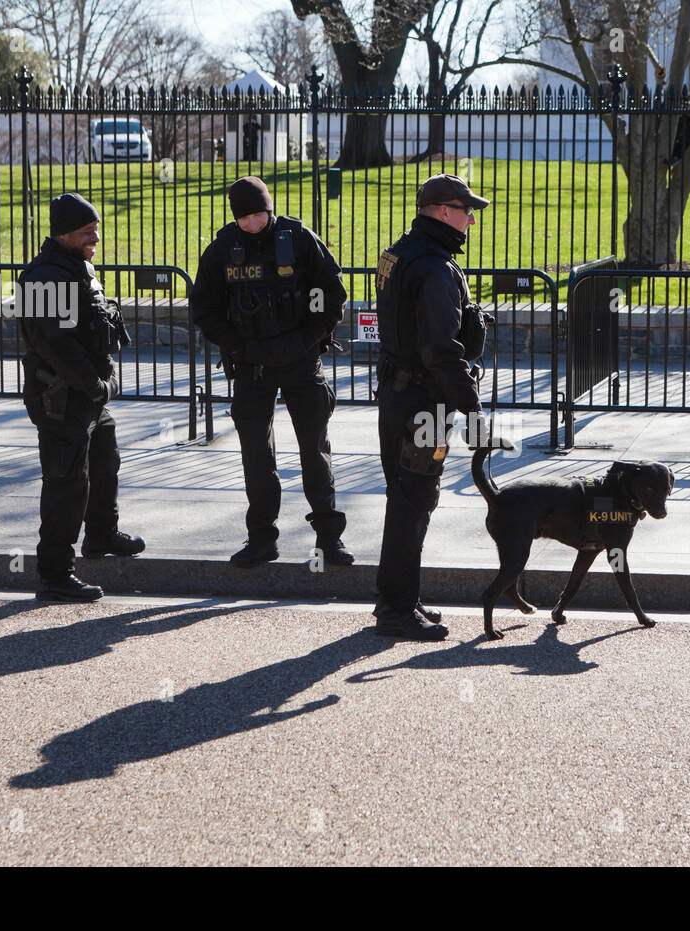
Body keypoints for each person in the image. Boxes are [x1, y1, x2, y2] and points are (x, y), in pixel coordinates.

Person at [190, 175, 352, 567]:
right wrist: (237, 345)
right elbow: (204, 309)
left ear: (269, 208)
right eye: (244, 218)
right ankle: (262, 537)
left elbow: (333, 291)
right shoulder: (223, 249)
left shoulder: (297, 239)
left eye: (258, 215)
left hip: (301, 360)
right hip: (251, 365)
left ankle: (329, 538)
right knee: (256, 455)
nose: (252, 224)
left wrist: (311, 338)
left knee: (315, 451)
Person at [372, 173, 492, 640]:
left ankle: (402, 597)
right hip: (424, 402)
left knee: (404, 498)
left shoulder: (398, 252)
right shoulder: (436, 268)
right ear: (444, 211)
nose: (471, 222)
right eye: (467, 212)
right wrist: (473, 408)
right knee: (414, 501)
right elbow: (441, 350)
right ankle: (396, 611)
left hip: (397, 395)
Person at [18, 192, 144, 602]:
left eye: (96, 230)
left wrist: (98, 384)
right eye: (88, 232)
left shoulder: (77, 267)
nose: (96, 238)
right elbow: (58, 346)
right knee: (66, 483)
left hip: (88, 395)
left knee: (105, 464)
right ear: (64, 234)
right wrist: (96, 384)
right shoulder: (43, 277)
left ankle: (101, 535)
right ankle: (55, 574)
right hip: (63, 397)